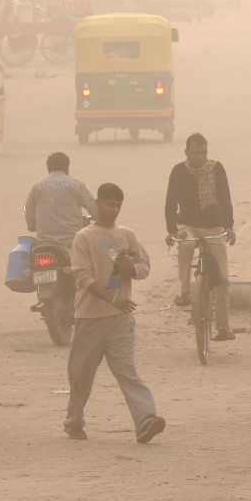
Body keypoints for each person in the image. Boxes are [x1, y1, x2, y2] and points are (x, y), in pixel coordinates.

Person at [65, 182, 164, 443]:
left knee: (127, 371)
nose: (114, 209)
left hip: (120, 320)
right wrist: (113, 299)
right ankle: (74, 421)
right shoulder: (84, 237)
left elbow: (144, 267)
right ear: (98, 203)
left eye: (118, 205)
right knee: (81, 375)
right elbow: (83, 278)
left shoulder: (127, 235)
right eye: (110, 204)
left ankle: (146, 420)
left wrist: (130, 269)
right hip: (90, 318)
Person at [164, 133, 237, 342]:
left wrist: (229, 226)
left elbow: (225, 198)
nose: (200, 157)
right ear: (187, 153)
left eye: (203, 152)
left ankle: (223, 328)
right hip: (187, 225)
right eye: (195, 153)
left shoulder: (216, 168)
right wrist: (171, 230)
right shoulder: (178, 171)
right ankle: (185, 291)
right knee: (185, 244)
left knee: (223, 279)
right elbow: (170, 203)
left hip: (214, 227)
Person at [25, 152, 97, 247]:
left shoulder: (37, 187)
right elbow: (93, 207)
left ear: (48, 168)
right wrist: (99, 218)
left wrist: (31, 225)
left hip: (44, 243)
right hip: (73, 242)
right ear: (67, 167)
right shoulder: (76, 185)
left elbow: (28, 209)